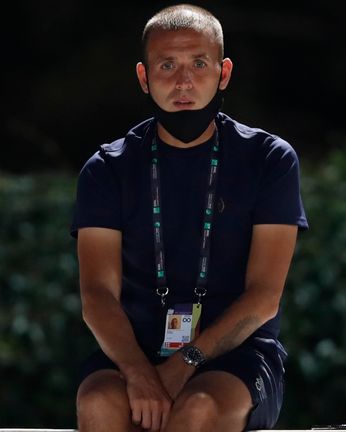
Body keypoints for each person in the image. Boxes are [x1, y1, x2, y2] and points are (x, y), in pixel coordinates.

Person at [72, 4, 308, 432]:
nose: (183, 81)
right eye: (167, 65)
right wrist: (140, 372)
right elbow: (97, 296)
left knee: (197, 409)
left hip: (237, 356)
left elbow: (263, 298)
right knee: (99, 403)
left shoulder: (269, 159)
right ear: (144, 76)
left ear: (224, 72)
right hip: (132, 353)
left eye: (199, 63)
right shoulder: (107, 167)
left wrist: (183, 364)